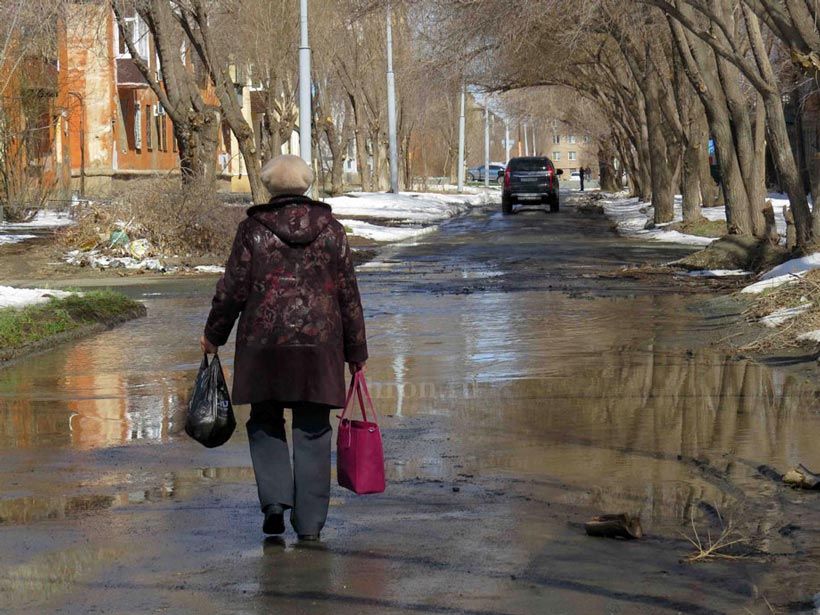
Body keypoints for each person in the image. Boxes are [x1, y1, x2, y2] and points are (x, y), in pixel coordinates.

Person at [200, 154, 368, 542]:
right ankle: (309, 525)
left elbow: (232, 289)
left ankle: (275, 502)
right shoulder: (332, 231)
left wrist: (214, 334)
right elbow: (348, 295)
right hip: (319, 346)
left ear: (269, 187)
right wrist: (356, 352)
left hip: (264, 346)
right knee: (312, 429)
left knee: (265, 421)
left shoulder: (252, 230)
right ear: (306, 186)